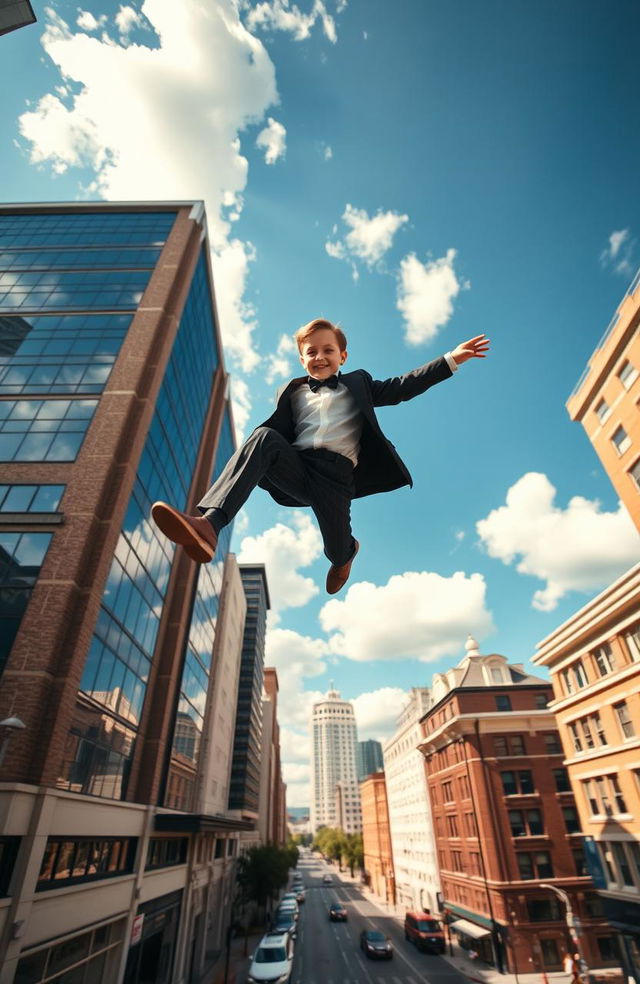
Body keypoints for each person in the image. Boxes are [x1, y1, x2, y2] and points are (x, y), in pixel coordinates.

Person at [151, 318, 489, 594]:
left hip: (337, 477)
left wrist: (451, 359)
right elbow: (278, 430)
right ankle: (210, 525)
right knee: (263, 437)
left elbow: (403, 386)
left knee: (335, 548)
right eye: (312, 352)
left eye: (329, 350)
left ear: (343, 356)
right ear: (302, 359)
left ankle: (347, 553)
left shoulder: (360, 383)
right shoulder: (291, 391)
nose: (320, 357)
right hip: (297, 468)